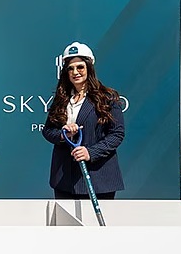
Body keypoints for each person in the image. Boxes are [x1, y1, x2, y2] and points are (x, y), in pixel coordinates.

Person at [42, 42, 125, 199]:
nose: (75, 72)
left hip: (98, 179)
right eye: (70, 68)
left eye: (80, 67)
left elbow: (117, 134)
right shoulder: (61, 99)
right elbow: (48, 130)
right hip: (64, 180)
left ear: (89, 68)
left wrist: (90, 152)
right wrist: (63, 135)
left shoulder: (107, 97)